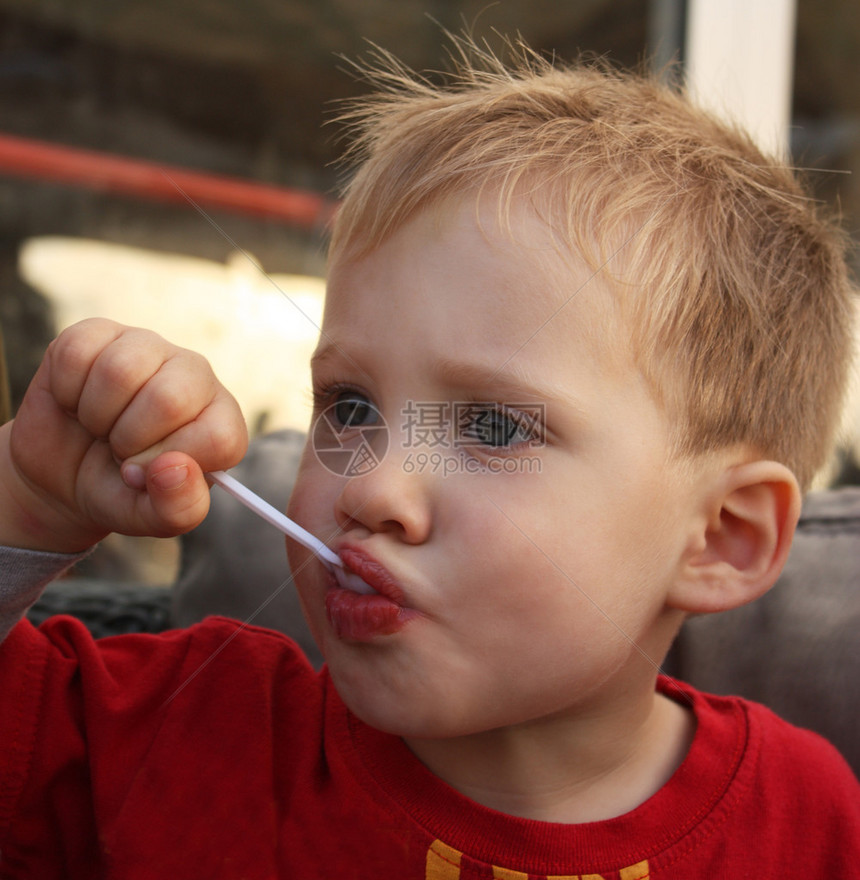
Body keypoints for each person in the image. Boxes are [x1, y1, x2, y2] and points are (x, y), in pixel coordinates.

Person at [0, 39, 858, 878]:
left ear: (722, 537)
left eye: (492, 427)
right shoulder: (185, 732)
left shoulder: (808, 824)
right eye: (350, 406)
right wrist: (27, 505)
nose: (370, 486)